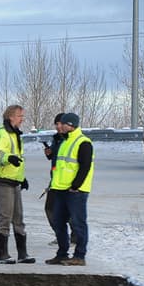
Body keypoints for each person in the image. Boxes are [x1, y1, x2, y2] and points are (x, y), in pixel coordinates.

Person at [0, 104, 35, 264]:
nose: (22, 119)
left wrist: (22, 178)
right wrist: (8, 158)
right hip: (1, 182)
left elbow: (17, 161)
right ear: (11, 117)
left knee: (18, 218)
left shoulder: (14, 135)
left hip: (13, 181)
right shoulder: (2, 134)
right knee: (5, 217)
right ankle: (3, 254)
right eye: (20, 116)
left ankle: (22, 254)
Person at [45, 112, 94, 266]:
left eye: (64, 124)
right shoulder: (64, 141)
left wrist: (75, 186)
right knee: (58, 222)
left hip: (75, 191)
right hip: (60, 189)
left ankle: (80, 256)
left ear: (71, 125)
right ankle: (62, 254)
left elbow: (85, 167)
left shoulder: (83, 142)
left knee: (79, 223)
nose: (60, 126)